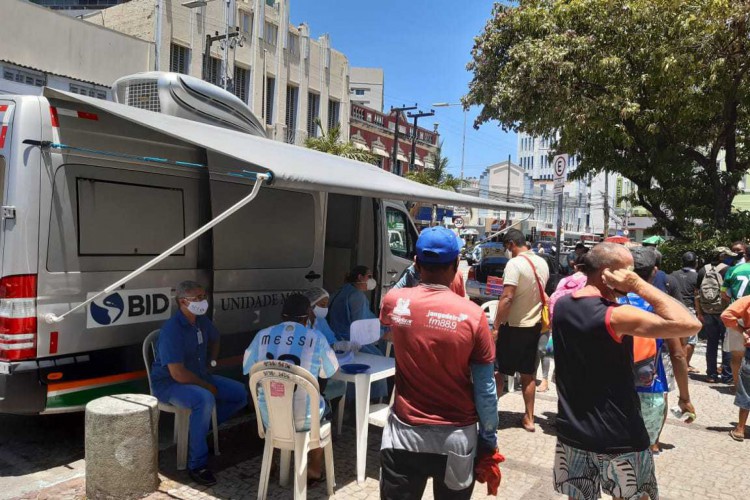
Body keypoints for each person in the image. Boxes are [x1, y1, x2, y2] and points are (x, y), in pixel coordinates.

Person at [552, 243, 701, 500]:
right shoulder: (615, 316)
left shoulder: (563, 305)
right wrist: (639, 286)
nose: (632, 276)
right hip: (619, 433)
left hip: (573, 429)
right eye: (628, 271)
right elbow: (690, 323)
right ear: (608, 274)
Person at [379, 226, 498, 499]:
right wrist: (489, 439)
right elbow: (485, 389)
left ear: (417, 262)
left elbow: (388, 310)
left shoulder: (396, 302)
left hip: (403, 437)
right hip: (457, 439)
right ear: (456, 264)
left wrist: (414, 271)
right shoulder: (474, 316)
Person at [150, 281, 248, 486]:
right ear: (182, 302)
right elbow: (177, 373)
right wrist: (206, 386)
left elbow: (216, 337)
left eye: (204, 296)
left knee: (240, 393)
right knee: (204, 399)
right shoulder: (172, 330)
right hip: (170, 384)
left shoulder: (201, 321)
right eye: (198, 298)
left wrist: (212, 362)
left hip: (200, 375)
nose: (203, 301)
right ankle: (197, 464)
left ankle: (198, 435)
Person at [242, 293, 339, 482]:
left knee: (270, 402)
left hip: (269, 418)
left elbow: (247, 368)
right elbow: (330, 371)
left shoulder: (262, 335)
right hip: (304, 420)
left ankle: (271, 463)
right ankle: (314, 469)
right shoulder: (316, 338)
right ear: (308, 314)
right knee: (325, 407)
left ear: (282, 315)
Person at [621, 247, 696, 454]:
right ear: (654, 271)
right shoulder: (659, 308)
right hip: (649, 385)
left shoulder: (612, 301)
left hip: (613, 386)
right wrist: (685, 397)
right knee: (643, 447)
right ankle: (651, 447)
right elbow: (678, 354)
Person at [492, 228, 549, 432]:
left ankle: (490, 415)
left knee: (498, 371)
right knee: (528, 374)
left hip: (512, 327)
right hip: (534, 327)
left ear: (511, 245)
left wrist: (496, 326)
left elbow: (507, 297)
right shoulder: (542, 262)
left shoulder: (514, 264)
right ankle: (529, 419)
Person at [328, 265, 387, 398]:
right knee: (378, 362)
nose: (371, 280)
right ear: (360, 277)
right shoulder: (357, 296)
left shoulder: (340, 291)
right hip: (352, 341)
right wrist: (383, 332)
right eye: (369, 276)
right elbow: (361, 325)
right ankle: (374, 400)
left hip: (338, 339)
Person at [697, 247, 735, 383]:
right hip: (723, 312)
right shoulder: (728, 270)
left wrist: (700, 312)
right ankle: (727, 376)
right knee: (726, 344)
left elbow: (697, 294)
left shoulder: (703, 270)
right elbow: (729, 292)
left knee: (711, 343)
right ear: (722, 256)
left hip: (707, 311)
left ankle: (711, 375)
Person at [719, 295, 750, 441]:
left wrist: (742, 329)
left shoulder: (747, 300)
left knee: (746, 389)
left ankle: (740, 429)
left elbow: (726, 315)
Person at [721, 245, 750, 389]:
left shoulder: (732, 270)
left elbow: (723, 293)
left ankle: (738, 387)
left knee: (737, 356)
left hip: (736, 314)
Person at [669, 252, 701, 373]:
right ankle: (685, 365)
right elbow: (697, 295)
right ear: (695, 263)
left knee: (676, 337)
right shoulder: (697, 276)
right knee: (691, 339)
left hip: (673, 308)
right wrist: (699, 312)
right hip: (689, 309)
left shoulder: (673, 274)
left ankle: (675, 363)